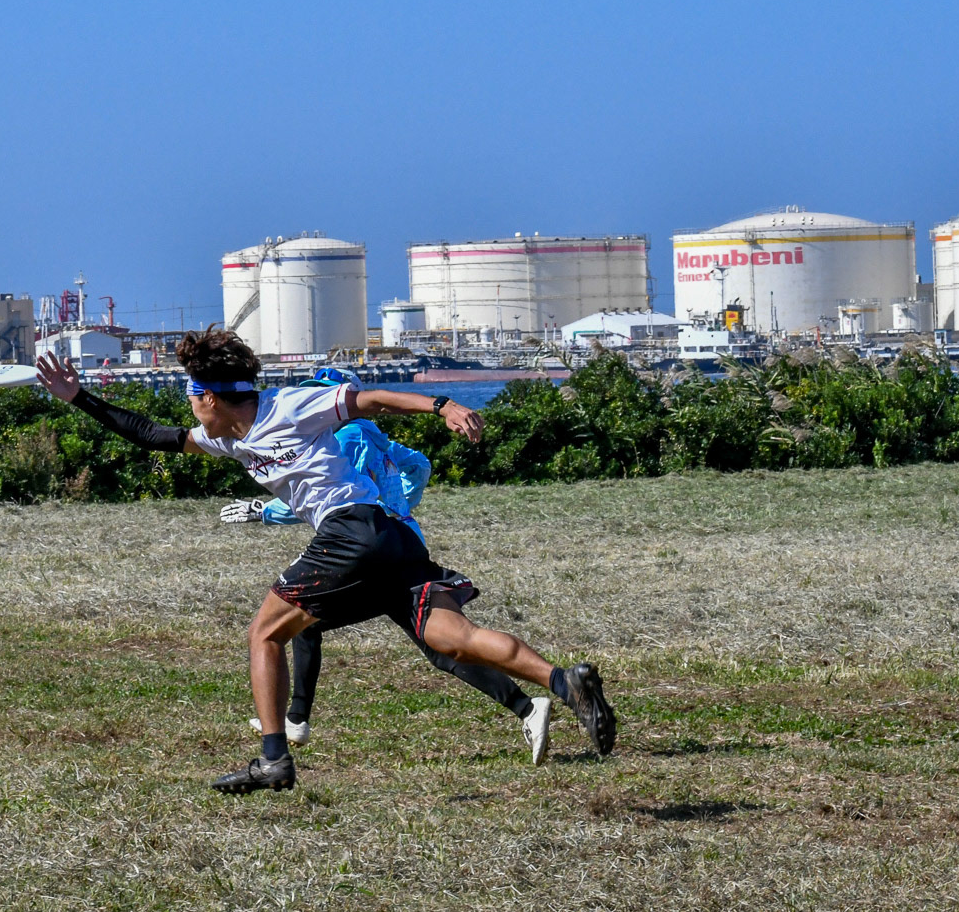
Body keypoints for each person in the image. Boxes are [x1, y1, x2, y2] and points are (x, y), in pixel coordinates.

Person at [36, 328, 616, 794]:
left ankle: (273, 759)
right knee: (453, 638)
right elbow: (149, 434)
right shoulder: (226, 439)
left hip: (351, 531)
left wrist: (441, 405)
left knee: (264, 634)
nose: (189, 409)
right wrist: (79, 398)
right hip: (392, 539)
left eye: (191, 397)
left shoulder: (288, 405)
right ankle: (563, 682)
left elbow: (370, 399)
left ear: (209, 396)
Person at [222, 367, 556, 764]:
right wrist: (400, 505)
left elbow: (324, 495)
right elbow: (421, 465)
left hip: (369, 547)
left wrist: (264, 512)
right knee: (438, 646)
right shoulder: (377, 437)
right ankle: (528, 707)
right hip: (400, 541)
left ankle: (295, 721)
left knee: (301, 620)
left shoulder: (345, 436)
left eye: (323, 394)